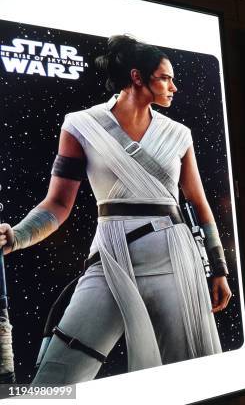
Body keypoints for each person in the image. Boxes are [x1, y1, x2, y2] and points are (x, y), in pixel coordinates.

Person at [0, 35, 232, 383]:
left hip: (175, 260)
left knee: (193, 375)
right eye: (165, 77)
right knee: (56, 380)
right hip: (109, 258)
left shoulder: (179, 134)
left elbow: (199, 206)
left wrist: (218, 268)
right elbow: (58, 203)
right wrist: (16, 236)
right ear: (138, 77)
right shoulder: (82, 124)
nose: (174, 86)